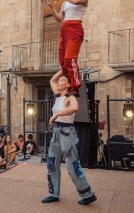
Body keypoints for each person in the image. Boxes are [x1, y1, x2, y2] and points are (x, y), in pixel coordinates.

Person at [41, 70, 96, 205]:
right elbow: (52, 80)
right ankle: (53, 194)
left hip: (67, 133)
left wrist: (55, 115)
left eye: (62, 80)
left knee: (72, 167)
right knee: (52, 163)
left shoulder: (70, 97)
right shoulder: (58, 96)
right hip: (57, 132)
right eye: (59, 81)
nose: (58, 82)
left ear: (68, 85)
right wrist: (64, 68)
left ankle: (88, 194)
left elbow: (75, 108)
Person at [47, 0, 88, 96]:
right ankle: (68, 84)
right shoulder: (65, 3)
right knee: (63, 61)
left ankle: (75, 87)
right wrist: (52, 8)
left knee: (71, 59)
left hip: (74, 28)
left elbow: (75, 1)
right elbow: (59, 18)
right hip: (64, 29)